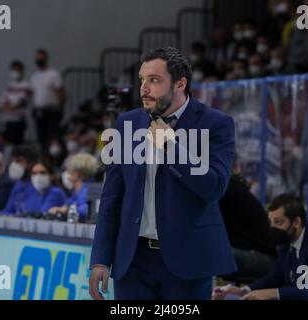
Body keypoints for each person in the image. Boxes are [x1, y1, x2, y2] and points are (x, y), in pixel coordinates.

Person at [89, 47, 237, 300]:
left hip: (188, 260)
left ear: (180, 84)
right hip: (132, 260)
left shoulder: (215, 124)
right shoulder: (127, 123)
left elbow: (214, 188)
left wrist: (171, 147)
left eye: (154, 80)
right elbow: (112, 196)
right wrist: (100, 259)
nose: (144, 88)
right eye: (142, 80)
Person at [212, 194, 308, 300]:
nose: (273, 228)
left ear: (296, 222)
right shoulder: (287, 242)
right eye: (271, 222)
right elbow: (273, 278)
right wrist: (242, 291)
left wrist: (274, 293)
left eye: (278, 222)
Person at [219, 158, 276, 280]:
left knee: (207, 253)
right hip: (254, 254)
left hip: (261, 258)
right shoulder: (228, 185)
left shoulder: (224, 189)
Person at [1, 160, 66, 216]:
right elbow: (9, 212)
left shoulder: (56, 193)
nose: (38, 176)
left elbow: (41, 214)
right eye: (34, 173)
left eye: (42, 173)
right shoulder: (28, 192)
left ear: (51, 176)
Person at [30, 49, 66, 148]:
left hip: (51, 110)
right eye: (37, 58)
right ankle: (44, 156)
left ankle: (53, 157)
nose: (39, 60)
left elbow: (61, 91)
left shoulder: (53, 74)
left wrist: (60, 107)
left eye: (41, 58)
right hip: (39, 111)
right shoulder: (35, 76)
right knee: (41, 136)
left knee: (52, 135)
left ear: (46, 58)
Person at [48, 153, 99, 222]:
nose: (66, 174)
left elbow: (86, 211)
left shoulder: (88, 191)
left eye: (68, 170)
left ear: (76, 174)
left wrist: (66, 210)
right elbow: (69, 204)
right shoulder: (75, 192)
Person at [0, 60, 31, 145]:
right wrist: (10, 106)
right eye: (12, 70)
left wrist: (11, 106)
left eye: (16, 70)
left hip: (19, 120)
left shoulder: (26, 85)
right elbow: (2, 102)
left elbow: (22, 102)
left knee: (17, 144)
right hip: (8, 120)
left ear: (21, 71)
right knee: (6, 143)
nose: (14, 72)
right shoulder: (9, 86)